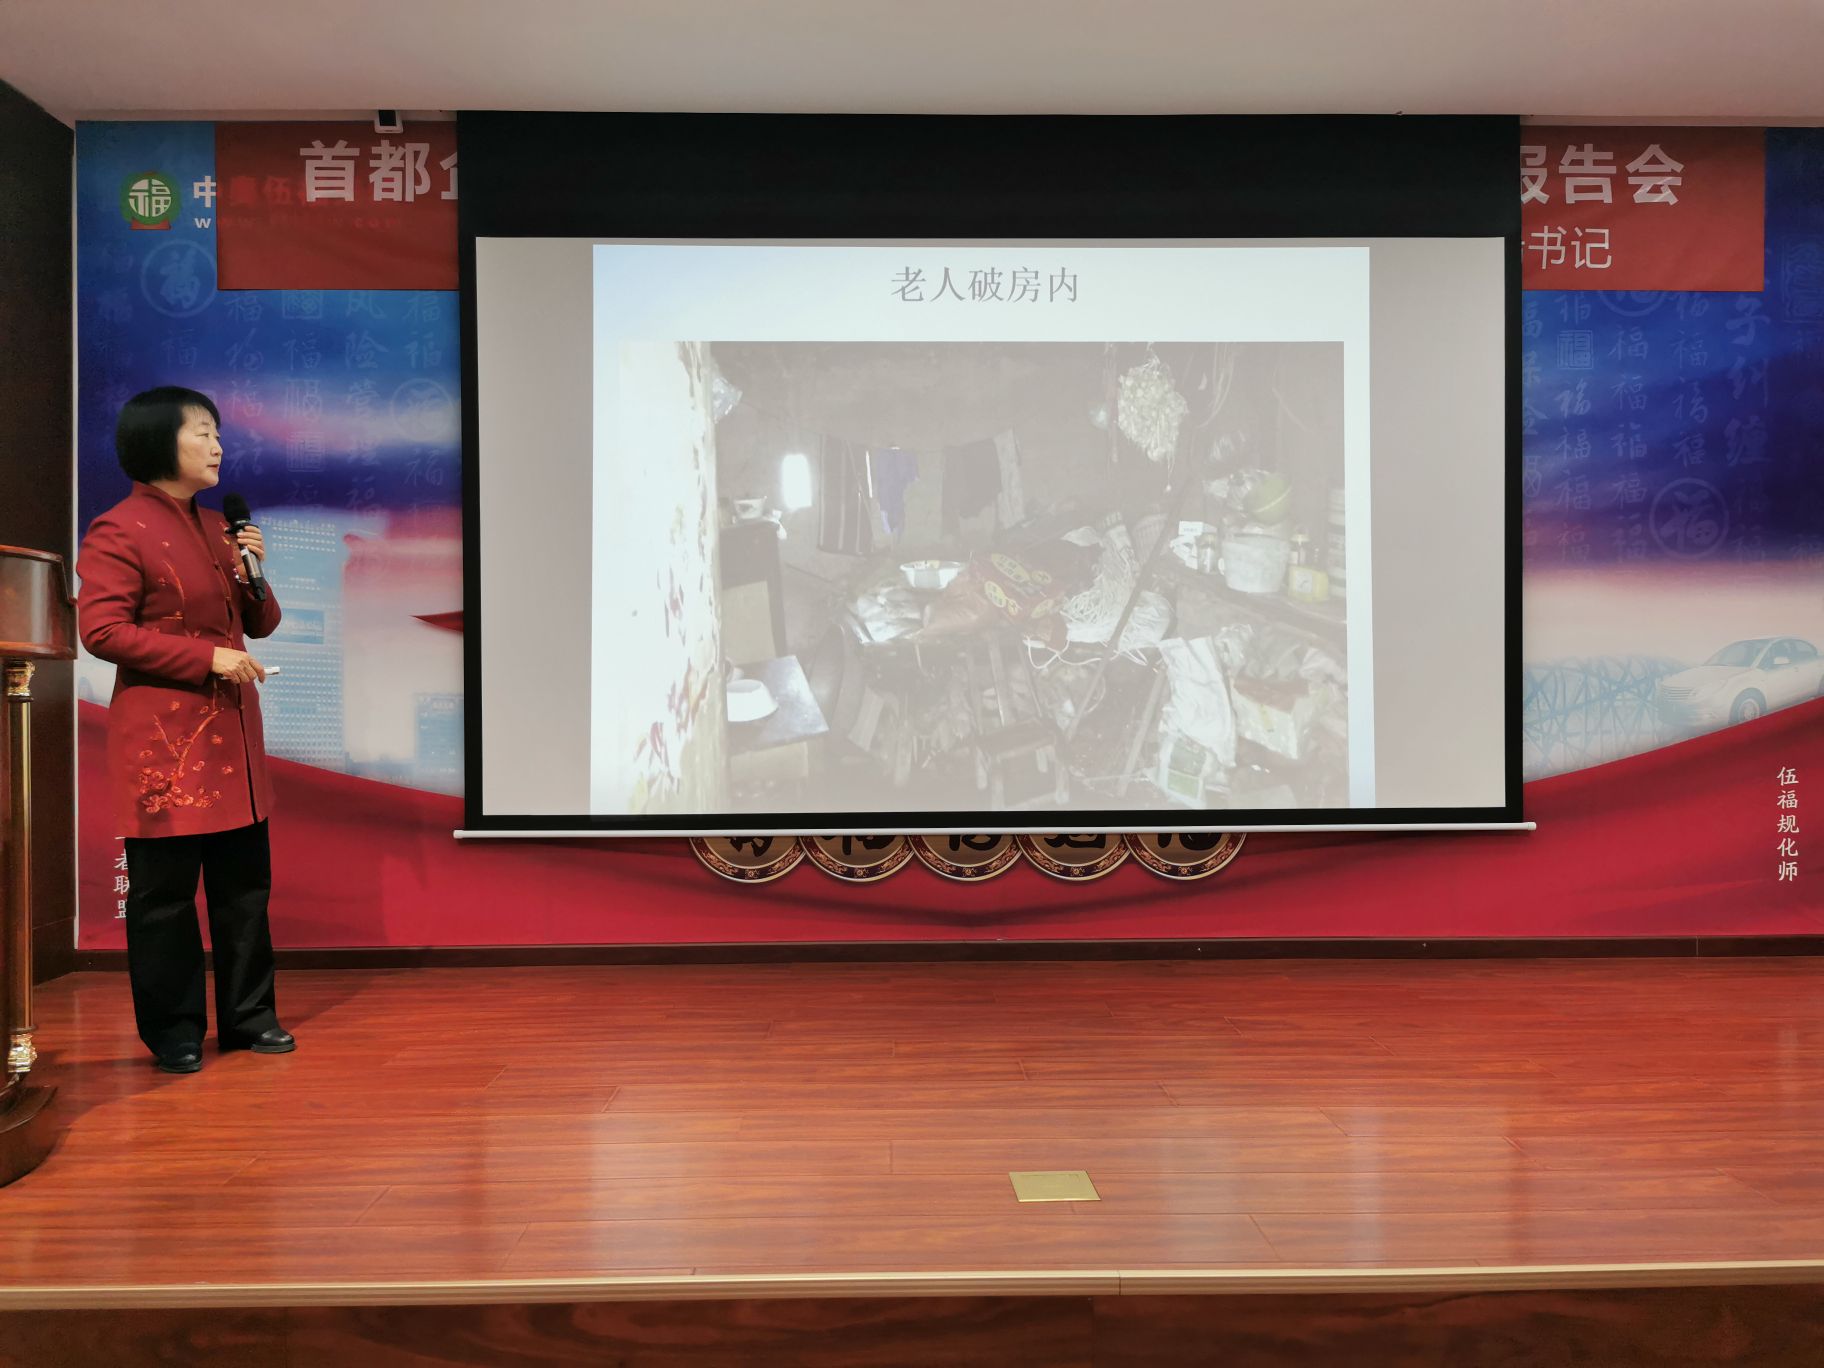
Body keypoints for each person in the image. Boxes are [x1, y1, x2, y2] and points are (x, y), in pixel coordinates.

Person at [75, 387, 294, 1074]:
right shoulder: (118, 529)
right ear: (157, 441)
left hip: (234, 736)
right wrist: (208, 658)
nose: (217, 445)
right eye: (202, 432)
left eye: (218, 432)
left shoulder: (220, 528)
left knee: (244, 889)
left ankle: (250, 1018)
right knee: (165, 897)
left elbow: (261, 625)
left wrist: (254, 573)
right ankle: (173, 1030)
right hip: (167, 742)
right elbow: (102, 630)